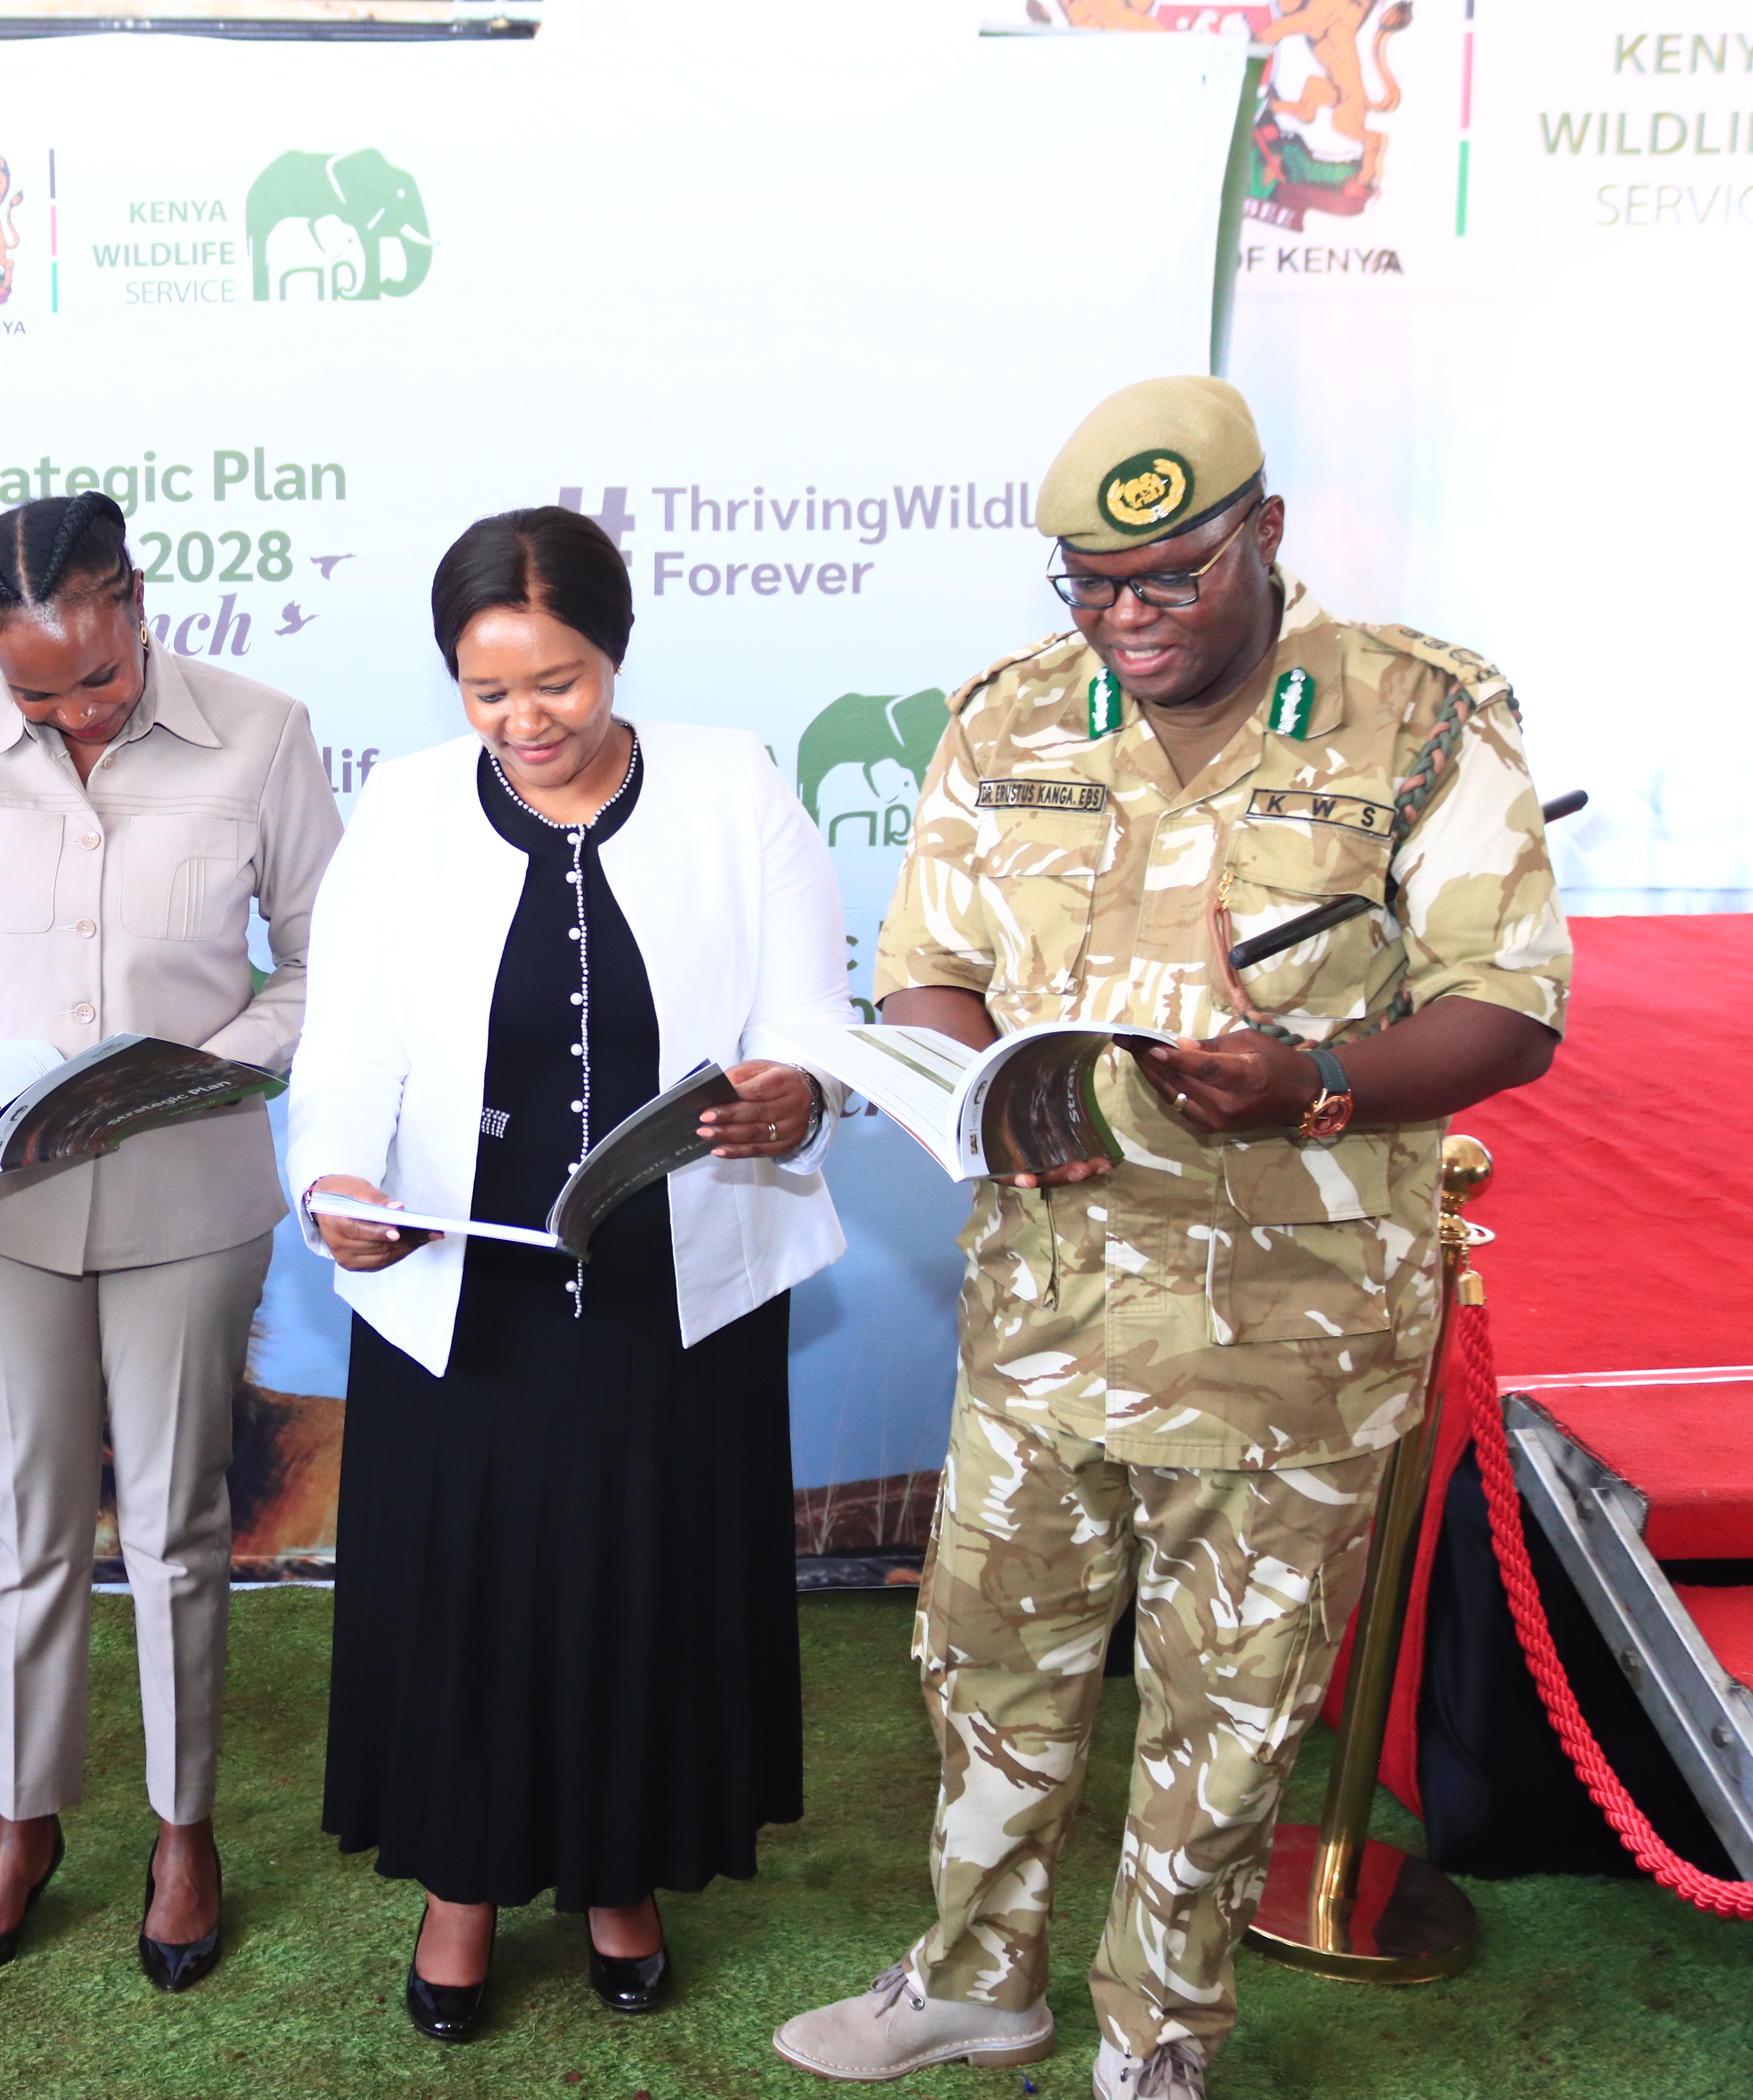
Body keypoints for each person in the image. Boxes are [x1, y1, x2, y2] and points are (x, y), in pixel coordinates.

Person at [770, 376, 1569, 2100]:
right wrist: (970, 1080)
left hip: (1294, 1339)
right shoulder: (1007, 718)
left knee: (1228, 1721)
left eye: (1169, 581)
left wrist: (1322, 1081)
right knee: (988, 1664)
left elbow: (1509, 1008)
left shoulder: (1420, 717)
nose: (1126, 623)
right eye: (1090, 587)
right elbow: (932, 960)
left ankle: (1159, 2039)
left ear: (1264, 535)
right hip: (1048, 1310)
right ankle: (978, 1981)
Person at [286, 505, 853, 2044]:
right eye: (490, 693)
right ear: (450, 686)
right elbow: (343, 1056)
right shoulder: (401, 812)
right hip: (465, 1282)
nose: (528, 723)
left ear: (616, 658)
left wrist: (797, 1091)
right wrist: (332, 1182)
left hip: (683, 1276)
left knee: (646, 1581)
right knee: (468, 1591)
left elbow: (815, 1016)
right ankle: (460, 1886)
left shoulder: (735, 786)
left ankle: (622, 1875)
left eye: (563, 683)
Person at [0, 490, 341, 1990]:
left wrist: (203, 1068)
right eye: (37, 690)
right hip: (3, 1198)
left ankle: (182, 1827)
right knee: (27, 1521)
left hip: (188, 1193)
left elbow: (322, 969)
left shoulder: (264, 734)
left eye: (97, 677)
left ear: (137, 604)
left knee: (177, 1529)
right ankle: (27, 1818)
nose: (74, 712)